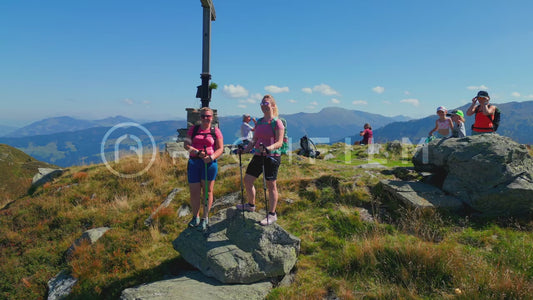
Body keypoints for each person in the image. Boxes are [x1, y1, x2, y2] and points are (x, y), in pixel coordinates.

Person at [237, 95, 284, 226]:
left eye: (266, 103)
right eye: (262, 103)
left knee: (271, 185)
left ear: (273, 106)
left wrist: (268, 148)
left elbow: (279, 142)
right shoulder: (259, 121)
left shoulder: (277, 122)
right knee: (248, 180)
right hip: (258, 155)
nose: (263, 105)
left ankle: (272, 214)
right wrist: (245, 150)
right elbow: (254, 140)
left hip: (272, 157)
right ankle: (251, 205)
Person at [183, 107, 224, 230]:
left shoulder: (216, 131)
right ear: (200, 118)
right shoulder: (193, 129)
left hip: (209, 164)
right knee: (194, 192)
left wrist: (211, 157)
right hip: (194, 162)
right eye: (203, 116)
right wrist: (197, 152)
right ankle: (195, 217)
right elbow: (186, 145)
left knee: (207, 191)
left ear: (212, 118)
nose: (206, 118)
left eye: (208, 116)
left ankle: (205, 217)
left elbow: (220, 148)